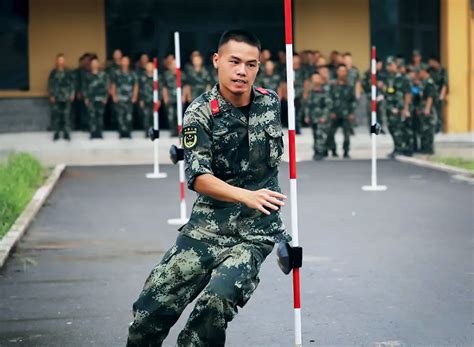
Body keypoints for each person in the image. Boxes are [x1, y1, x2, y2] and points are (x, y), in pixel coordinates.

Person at [127, 29, 290, 347]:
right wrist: (246, 195)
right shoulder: (199, 113)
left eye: (251, 64)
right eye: (235, 62)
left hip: (254, 233)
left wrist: (273, 221)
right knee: (150, 312)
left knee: (214, 305)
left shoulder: (270, 104)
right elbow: (198, 176)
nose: (242, 71)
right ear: (217, 61)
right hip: (206, 229)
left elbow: (270, 165)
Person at [383, 56, 412, 157]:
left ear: (396, 66)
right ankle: (397, 146)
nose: (388, 67)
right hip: (391, 108)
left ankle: (404, 148)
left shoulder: (403, 79)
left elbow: (408, 94)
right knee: (392, 128)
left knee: (401, 128)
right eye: (387, 65)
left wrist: (405, 108)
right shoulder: (389, 79)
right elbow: (388, 93)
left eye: (391, 65)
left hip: (400, 108)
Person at [327, 64, 356, 158]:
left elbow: (353, 100)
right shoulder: (333, 84)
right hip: (334, 113)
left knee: (347, 134)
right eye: (340, 70)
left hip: (346, 114)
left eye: (344, 71)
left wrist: (351, 112)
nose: (342, 73)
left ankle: (346, 151)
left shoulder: (350, 85)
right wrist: (330, 111)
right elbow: (329, 98)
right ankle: (333, 150)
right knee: (330, 133)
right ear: (337, 72)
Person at [304, 72, 332, 160]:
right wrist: (307, 116)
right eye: (313, 78)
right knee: (315, 135)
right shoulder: (311, 91)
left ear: (320, 79)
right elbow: (308, 105)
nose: (315, 80)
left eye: (317, 78)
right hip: (313, 117)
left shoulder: (325, 90)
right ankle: (317, 150)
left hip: (322, 117)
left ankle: (320, 152)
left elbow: (328, 105)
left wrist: (324, 117)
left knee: (320, 134)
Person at [47, 53, 75, 141]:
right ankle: (57, 133)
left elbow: (72, 84)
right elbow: (50, 85)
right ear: (56, 61)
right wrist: (51, 95)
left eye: (62, 60)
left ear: (64, 61)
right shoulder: (53, 72)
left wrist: (72, 94)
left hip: (66, 97)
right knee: (57, 116)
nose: (61, 62)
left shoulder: (68, 72)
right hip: (56, 97)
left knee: (67, 116)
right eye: (59, 60)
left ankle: (67, 133)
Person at [111, 56, 138, 138]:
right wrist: (114, 96)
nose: (125, 63)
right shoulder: (117, 73)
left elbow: (136, 85)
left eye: (126, 61)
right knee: (120, 116)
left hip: (129, 98)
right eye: (123, 61)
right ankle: (121, 133)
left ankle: (128, 132)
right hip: (120, 98)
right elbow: (113, 85)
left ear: (128, 63)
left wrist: (134, 96)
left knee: (129, 116)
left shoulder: (132, 73)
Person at [83, 57, 109, 139]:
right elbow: (84, 88)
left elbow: (106, 87)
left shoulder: (103, 75)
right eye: (93, 63)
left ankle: (99, 132)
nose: (94, 65)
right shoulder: (87, 75)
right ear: (91, 65)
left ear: (98, 64)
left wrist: (105, 97)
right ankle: (93, 133)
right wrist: (86, 98)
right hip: (91, 99)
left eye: (96, 63)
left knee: (100, 116)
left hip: (101, 99)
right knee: (91, 116)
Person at [162, 55, 187, 136]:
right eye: (172, 64)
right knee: (170, 115)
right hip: (170, 98)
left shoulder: (182, 74)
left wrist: (184, 96)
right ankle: (173, 131)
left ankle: (179, 131)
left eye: (175, 64)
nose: (174, 66)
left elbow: (185, 86)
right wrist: (165, 97)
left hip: (179, 98)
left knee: (179, 115)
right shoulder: (166, 75)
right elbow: (164, 87)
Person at [417, 63, 437, 154]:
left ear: (425, 72)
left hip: (428, 109)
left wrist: (427, 109)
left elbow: (430, 96)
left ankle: (429, 148)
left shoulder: (429, 82)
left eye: (420, 71)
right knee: (423, 128)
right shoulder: (424, 82)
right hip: (423, 107)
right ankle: (424, 147)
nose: (419, 73)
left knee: (429, 129)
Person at [138, 61, 161, 137]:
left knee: (155, 117)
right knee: (146, 117)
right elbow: (140, 89)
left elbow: (160, 89)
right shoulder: (142, 77)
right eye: (148, 66)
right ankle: (147, 133)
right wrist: (141, 99)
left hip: (154, 100)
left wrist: (159, 99)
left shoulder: (157, 77)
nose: (149, 68)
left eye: (151, 66)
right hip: (146, 100)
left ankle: (155, 134)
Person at [427, 56, 448, 133]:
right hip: (431, 94)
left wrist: (441, 96)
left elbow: (445, 84)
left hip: (439, 95)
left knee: (439, 112)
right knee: (431, 111)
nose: (430, 64)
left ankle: (439, 128)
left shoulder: (442, 71)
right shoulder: (429, 70)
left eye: (432, 62)